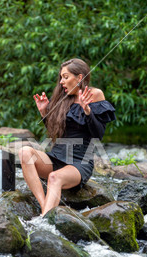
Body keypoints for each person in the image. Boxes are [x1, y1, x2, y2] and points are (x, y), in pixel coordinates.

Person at [18, 58, 116, 216]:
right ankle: (45, 212)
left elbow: (98, 134)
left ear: (79, 77)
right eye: (61, 77)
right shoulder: (62, 98)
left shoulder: (95, 94)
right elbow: (56, 133)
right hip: (56, 157)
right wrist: (45, 113)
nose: (62, 82)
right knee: (25, 152)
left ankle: (44, 219)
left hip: (79, 162)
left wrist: (87, 111)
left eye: (66, 77)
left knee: (54, 177)